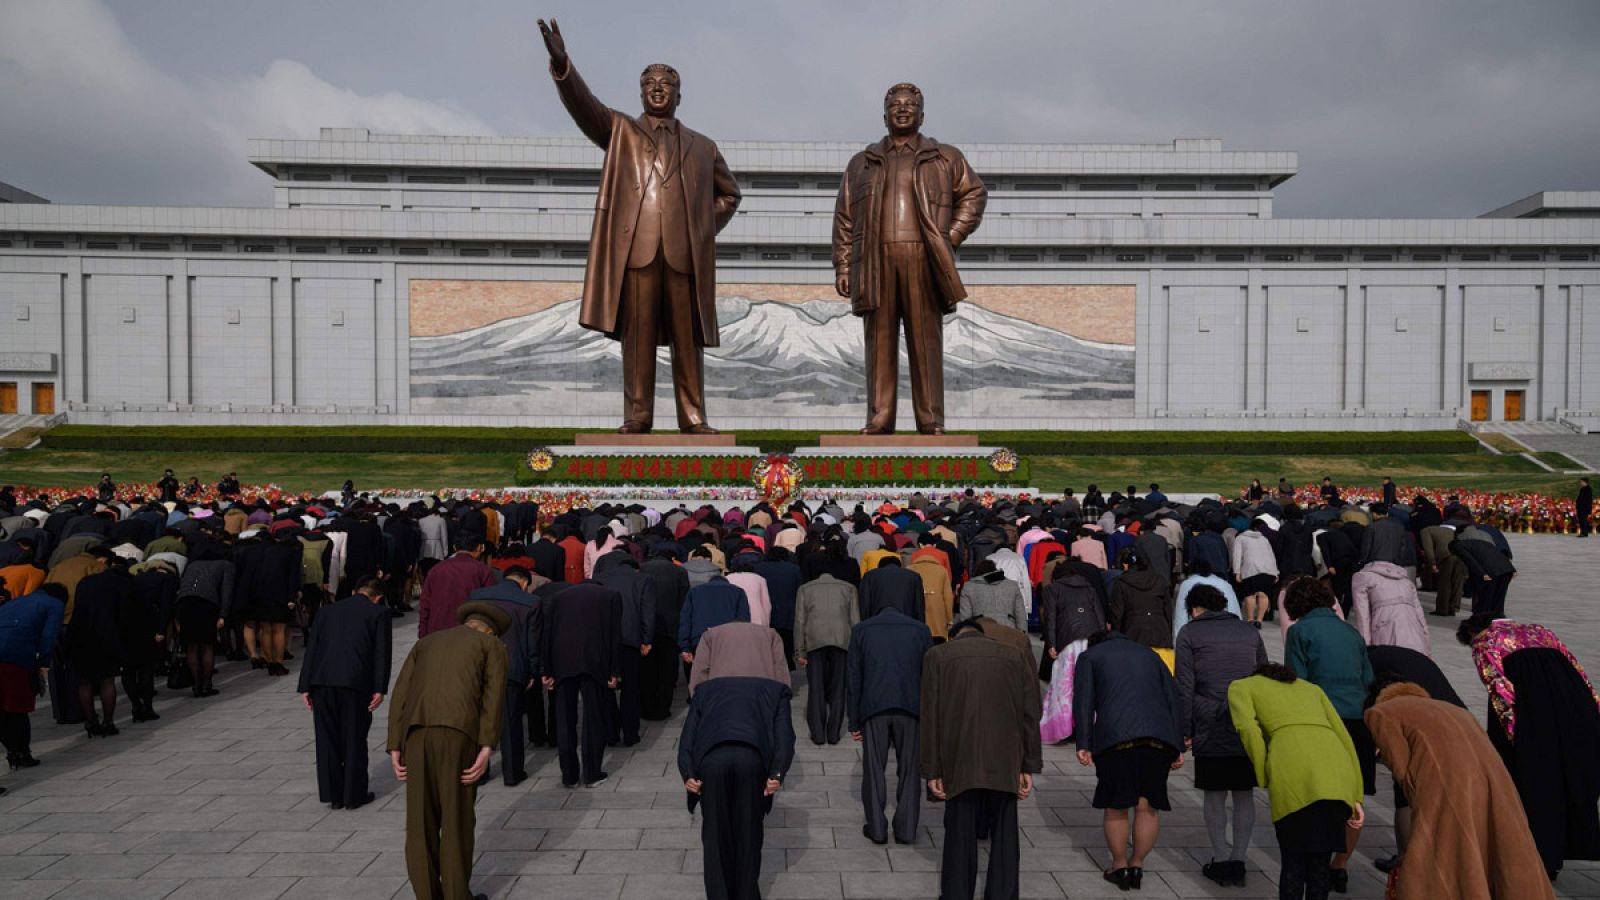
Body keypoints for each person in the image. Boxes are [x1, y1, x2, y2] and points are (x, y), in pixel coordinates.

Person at [538, 18, 740, 434]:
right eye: (650, 83)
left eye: (666, 83)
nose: (658, 88)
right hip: (638, 253)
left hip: (684, 257)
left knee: (688, 342)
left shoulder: (703, 146)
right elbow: (585, 106)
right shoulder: (621, 132)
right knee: (638, 340)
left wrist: (701, 228)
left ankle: (694, 418)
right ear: (641, 92)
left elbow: (730, 195)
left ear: (679, 95)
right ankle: (637, 416)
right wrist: (563, 66)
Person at [831, 82, 987, 435]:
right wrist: (843, 264)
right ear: (884, 114)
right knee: (879, 342)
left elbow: (974, 194)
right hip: (874, 259)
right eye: (895, 105)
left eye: (909, 105)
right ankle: (879, 417)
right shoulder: (862, 163)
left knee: (925, 340)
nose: (902, 109)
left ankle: (931, 419)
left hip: (923, 257)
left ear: (922, 114)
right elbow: (844, 217)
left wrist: (952, 237)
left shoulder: (945, 157)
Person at [1363, 680, 1554, 899]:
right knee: (1500, 844)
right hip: (1494, 780)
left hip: (1445, 785)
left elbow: (1401, 768)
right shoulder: (1454, 709)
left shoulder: (1380, 712)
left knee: (1440, 854)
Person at [1459, 615, 1600, 880]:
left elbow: (1500, 690)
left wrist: (1516, 739)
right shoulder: (1540, 631)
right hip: (1574, 708)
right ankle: (1560, 852)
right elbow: (1579, 671)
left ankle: (1540, 858)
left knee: (1537, 788)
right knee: (1569, 780)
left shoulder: (1485, 642)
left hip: (1536, 718)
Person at [387, 601, 508, 900]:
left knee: (419, 823)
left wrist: (394, 746)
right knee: (456, 819)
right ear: (491, 631)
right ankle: (456, 895)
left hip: (416, 735)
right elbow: (493, 699)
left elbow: (401, 694)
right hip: (458, 735)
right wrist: (487, 746)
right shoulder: (491, 646)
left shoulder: (426, 642)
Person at [921, 619, 1042, 900]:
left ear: (954, 636)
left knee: (960, 832)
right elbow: (1029, 713)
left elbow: (930, 716)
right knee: (1005, 831)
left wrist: (932, 769)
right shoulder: (1013, 656)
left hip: (958, 756)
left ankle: (956, 893)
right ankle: (1003, 893)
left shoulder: (937, 656)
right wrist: (1028, 764)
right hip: (1005, 757)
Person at [1229, 663, 1366, 900]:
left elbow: (1248, 729)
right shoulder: (1312, 689)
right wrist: (1356, 795)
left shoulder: (1242, 686)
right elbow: (1344, 735)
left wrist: (1264, 772)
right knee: (1320, 864)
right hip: (1336, 770)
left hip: (1292, 768)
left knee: (1292, 862)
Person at [1073, 628, 1185, 891]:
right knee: (1148, 805)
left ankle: (1119, 866)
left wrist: (1084, 743)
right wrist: (1178, 743)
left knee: (1116, 804)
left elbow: (1084, 701)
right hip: (1158, 738)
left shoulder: (1091, 657)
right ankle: (1137, 865)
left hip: (1116, 740)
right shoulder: (1150, 656)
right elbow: (1173, 698)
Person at [1283, 576, 1375, 891]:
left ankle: (1315, 856)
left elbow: (1297, 683)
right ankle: (1341, 864)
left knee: (1319, 793)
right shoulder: (1351, 632)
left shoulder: (1299, 632)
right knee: (1354, 798)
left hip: (1323, 722)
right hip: (1357, 720)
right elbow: (1368, 677)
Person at [1174, 584, 1267, 886]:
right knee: (1244, 793)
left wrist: (1183, 731)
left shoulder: (1189, 634)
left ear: (1195, 608)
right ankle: (1239, 858)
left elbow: (1185, 687)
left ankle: (1220, 856)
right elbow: (1264, 677)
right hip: (1246, 721)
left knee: (1214, 795)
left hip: (1208, 720)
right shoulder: (1250, 632)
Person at [678, 676, 795, 900]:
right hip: (750, 759)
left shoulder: (704, 690)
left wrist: (688, 773)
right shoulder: (777, 692)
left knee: (714, 835)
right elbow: (785, 737)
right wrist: (777, 773)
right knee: (749, 831)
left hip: (712, 761)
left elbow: (688, 737)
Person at [299, 577, 392, 810]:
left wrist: (306, 686)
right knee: (354, 738)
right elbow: (382, 653)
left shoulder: (327, 611)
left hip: (323, 681)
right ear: (378, 597)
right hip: (355, 683)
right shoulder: (378, 614)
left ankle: (334, 795)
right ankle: (354, 794)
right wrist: (379, 688)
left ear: (354, 591)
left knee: (327, 739)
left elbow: (313, 648)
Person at [846, 602, 932, 845]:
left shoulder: (862, 630)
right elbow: (929, 674)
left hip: (874, 707)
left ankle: (876, 828)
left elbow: (853, 677)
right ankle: (906, 830)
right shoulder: (920, 630)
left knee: (873, 769)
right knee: (910, 769)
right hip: (910, 706)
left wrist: (854, 721)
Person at [540, 577, 622, 788]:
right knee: (594, 718)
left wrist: (546, 669)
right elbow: (614, 635)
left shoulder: (558, 597)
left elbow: (547, 633)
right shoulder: (611, 596)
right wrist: (615, 670)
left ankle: (569, 775)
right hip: (595, 663)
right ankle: (592, 773)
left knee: (564, 720)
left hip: (562, 663)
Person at [468, 566, 540, 784]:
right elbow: (532, 643)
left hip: (478, 665)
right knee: (510, 721)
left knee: (480, 719)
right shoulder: (530, 602)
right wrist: (532, 672)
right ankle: (512, 773)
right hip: (512, 668)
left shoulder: (477, 596)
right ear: (525, 583)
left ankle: (479, 772)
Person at [592, 552, 657, 747]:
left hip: (604, 640)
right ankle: (630, 733)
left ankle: (610, 732)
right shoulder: (643, 579)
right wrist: (647, 639)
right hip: (631, 639)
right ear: (634, 567)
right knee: (631, 688)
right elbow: (648, 612)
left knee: (606, 687)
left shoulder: (600, 579)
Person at [65, 548, 131, 737]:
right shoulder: (119, 583)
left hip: (81, 632)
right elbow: (123, 614)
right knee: (107, 680)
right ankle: (108, 722)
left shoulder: (85, 582)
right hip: (106, 634)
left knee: (85, 681)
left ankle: (90, 721)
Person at [0, 584, 64, 774]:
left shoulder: (15, 601)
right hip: (15, 658)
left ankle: (12, 751)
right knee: (18, 709)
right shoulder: (54, 604)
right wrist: (43, 661)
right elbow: (49, 635)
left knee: (1, 710)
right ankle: (22, 753)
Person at [793, 569, 858, 745]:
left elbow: (800, 621)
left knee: (816, 688)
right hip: (842, 641)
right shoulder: (849, 588)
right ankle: (834, 733)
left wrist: (799, 650)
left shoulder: (805, 589)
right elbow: (855, 621)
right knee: (839, 688)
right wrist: (856, 649)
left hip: (815, 641)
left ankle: (818, 734)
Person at [175, 542, 234, 697]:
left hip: (184, 604)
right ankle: (207, 685)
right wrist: (223, 614)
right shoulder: (225, 565)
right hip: (206, 604)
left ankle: (196, 684)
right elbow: (227, 590)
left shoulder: (192, 564)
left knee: (191, 646)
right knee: (207, 645)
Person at [417, 537, 497, 638]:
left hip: (437, 633)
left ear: (455, 548)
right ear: (479, 548)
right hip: (471, 635)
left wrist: (423, 633)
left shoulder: (436, 569)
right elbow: (492, 605)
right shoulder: (483, 571)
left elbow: (425, 604)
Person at [688, 621, 789, 695]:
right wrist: (783, 695)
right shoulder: (770, 634)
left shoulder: (710, 635)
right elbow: (780, 668)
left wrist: (697, 697)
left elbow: (700, 670)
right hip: (762, 695)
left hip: (720, 697)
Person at [1349, 560, 1429, 655]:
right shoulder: (1407, 583)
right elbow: (1421, 621)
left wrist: (1366, 651)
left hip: (1385, 644)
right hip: (1417, 646)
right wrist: (1428, 651)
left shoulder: (1363, 578)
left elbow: (1363, 619)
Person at [1108, 547, 1173, 653]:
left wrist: (1116, 638)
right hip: (1160, 633)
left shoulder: (1121, 583)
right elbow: (1168, 611)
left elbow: (1117, 615)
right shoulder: (1160, 580)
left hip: (1132, 635)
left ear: (1126, 565)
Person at [1450, 534, 1515, 618]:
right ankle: (1497, 622)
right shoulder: (1480, 543)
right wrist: (1512, 569)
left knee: (1485, 599)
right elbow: (1499, 554)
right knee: (1499, 600)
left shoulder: (1458, 546)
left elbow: (1470, 561)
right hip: (1506, 570)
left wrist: (1482, 574)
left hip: (1490, 573)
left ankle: (1480, 623)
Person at [1231, 519, 1279, 627]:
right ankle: (1259, 620)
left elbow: (1237, 556)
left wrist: (1237, 572)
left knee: (1250, 595)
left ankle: (1250, 619)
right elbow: (1271, 555)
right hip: (1268, 569)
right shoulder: (1264, 539)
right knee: (1263, 594)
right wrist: (1276, 571)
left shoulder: (1240, 538)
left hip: (1250, 568)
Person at [857, 555, 923, 621]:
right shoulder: (914, 577)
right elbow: (919, 607)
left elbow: (865, 606)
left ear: (880, 567)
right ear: (899, 566)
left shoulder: (869, 576)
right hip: (907, 624)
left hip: (876, 624)